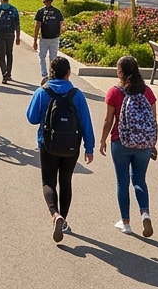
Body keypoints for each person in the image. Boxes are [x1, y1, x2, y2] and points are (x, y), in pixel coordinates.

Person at [27, 56, 95, 243]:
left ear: (51, 72)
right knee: (65, 181)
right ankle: (64, 220)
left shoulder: (43, 92)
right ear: (68, 73)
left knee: (48, 181)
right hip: (71, 146)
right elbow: (86, 123)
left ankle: (55, 214)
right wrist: (89, 148)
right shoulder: (77, 94)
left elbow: (31, 118)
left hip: (48, 144)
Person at [99, 55, 158, 237]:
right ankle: (145, 213)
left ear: (120, 72)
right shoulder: (147, 92)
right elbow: (153, 121)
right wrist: (152, 143)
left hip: (120, 142)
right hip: (144, 145)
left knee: (122, 183)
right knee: (140, 180)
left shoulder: (114, 92)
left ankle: (126, 223)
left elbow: (109, 120)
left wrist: (102, 140)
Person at [0, 0, 22, 84]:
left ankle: (4, 73)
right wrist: (18, 36)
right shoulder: (14, 10)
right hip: (10, 34)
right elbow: (17, 24)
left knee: (1, 55)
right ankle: (9, 73)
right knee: (9, 53)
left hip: (0, 34)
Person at [32, 0, 64, 82]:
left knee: (42, 56)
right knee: (53, 58)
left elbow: (37, 26)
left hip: (44, 38)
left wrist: (35, 40)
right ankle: (52, 74)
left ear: (44, 1)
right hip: (54, 37)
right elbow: (62, 24)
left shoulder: (41, 12)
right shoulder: (57, 12)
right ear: (52, 1)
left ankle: (44, 74)